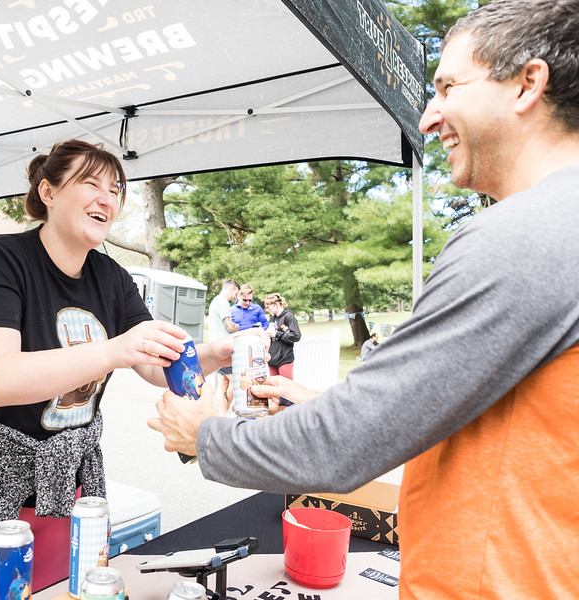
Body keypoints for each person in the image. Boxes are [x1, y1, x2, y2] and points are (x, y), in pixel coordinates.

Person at [148, 1, 579, 597]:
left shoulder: (528, 233)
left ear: (528, 83)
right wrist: (323, 400)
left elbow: (343, 446)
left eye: (449, 86)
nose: (429, 118)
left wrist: (203, 435)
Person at [0, 139, 232, 600]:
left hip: (60, 478)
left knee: (56, 589)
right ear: (48, 192)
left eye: (115, 190)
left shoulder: (112, 278)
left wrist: (218, 352)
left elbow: (155, 363)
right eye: (90, 183)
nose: (107, 199)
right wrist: (113, 350)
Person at [207, 278, 240, 400]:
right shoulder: (223, 303)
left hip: (216, 347)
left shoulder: (215, 301)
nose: (235, 297)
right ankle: (243, 411)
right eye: (236, 294)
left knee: (223, 384)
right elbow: (230, 327)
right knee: (239, 383)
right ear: (231, 289)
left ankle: (221, 414)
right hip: (224, 348)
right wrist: (239, 327)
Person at [263, 293, 301, 379]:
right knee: (275, 387)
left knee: (286, 387)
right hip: (272, 359)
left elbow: (296, 336)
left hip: (285, 359)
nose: (267, 310)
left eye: (268, 307)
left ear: (276, 304)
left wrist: (277, 334)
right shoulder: (272, 319)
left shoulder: (289, 316)